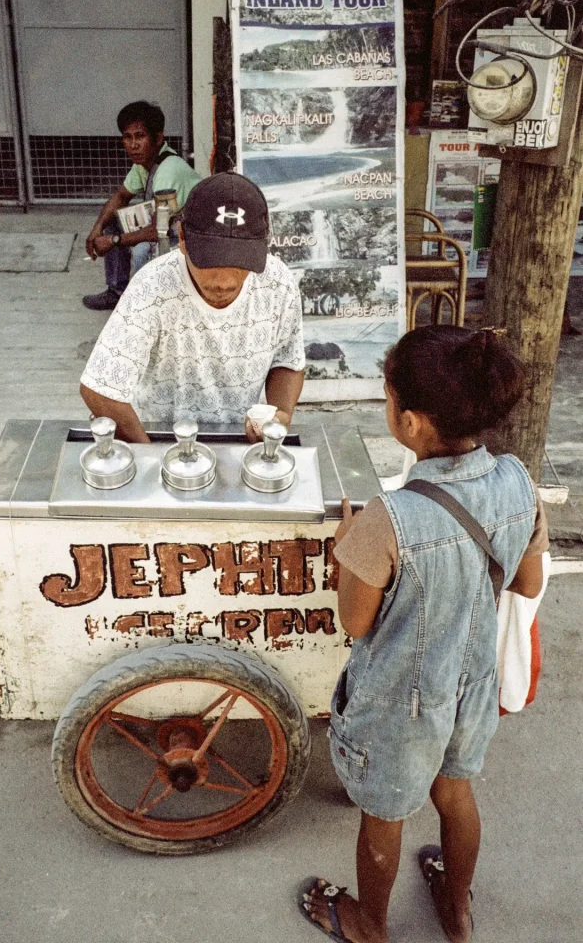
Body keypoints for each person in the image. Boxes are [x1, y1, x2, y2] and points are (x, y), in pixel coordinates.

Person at [298, 326, 549, 943]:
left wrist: (347, 552)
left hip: (399, 701)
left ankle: (369, 923)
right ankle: (457, 910)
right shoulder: (518, 480)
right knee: (455, 791)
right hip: (471, 685)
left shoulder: (389, 518)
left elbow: (355, 622)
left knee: (384, 813)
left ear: (410, 423)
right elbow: (528, 577)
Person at [80, 171, 305, 441]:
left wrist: (280, 414)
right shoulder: (151, 287)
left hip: (239, 436)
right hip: (159, 435)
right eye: (209, 260)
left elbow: (287, 359)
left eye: (239, 262)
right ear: (183, 238)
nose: (223, 282)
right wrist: (150, 456)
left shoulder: (278, 283)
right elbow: (100, 388)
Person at [82, 100, 202, 311]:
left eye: (140, 136)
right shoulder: (143, 164)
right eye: (127, 137)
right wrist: (97, 228)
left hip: (189, 235)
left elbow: (158, 231)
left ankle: (144, 306)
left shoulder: (168, 170)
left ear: (157, 138)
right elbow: (121, 196)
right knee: (113, 221)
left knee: (140, 250)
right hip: (167, 225)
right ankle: (117, 292)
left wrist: (113, 241)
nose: (133, 145)